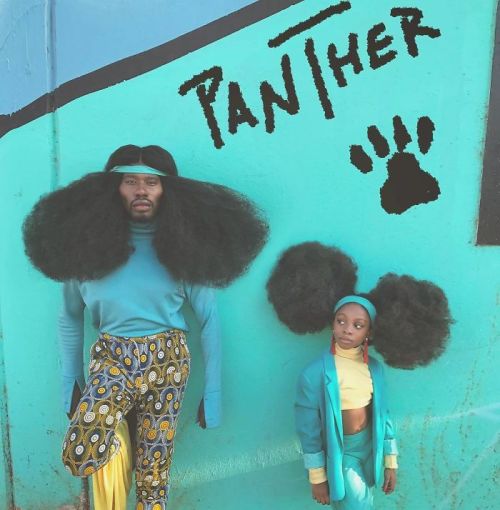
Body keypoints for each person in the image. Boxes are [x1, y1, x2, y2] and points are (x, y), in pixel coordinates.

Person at [23, 145, 268, 510]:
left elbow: (209, 319)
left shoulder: (183, 250)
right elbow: (70, 315)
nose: (141, 190)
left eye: (152, 182)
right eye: (130, 182)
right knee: (81, 452)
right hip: (112, 358)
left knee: (154, 476)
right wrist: (69, 382)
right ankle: (117, 464)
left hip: (168, 362)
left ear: (167, 190)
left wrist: (212, 392)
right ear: (113, 189)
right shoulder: (86, 250)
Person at [266, 242, 452, 509]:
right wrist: (317, 475)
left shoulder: (374, 369)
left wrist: (390, 461)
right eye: (341, 321)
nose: (347, 329)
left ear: (370, 333)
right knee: (358, 504)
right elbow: (307, 428)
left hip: (371, 449)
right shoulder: (315, 374)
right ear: (331, 323)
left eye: (358, 325)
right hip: (342, 453)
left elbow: (384, 416)